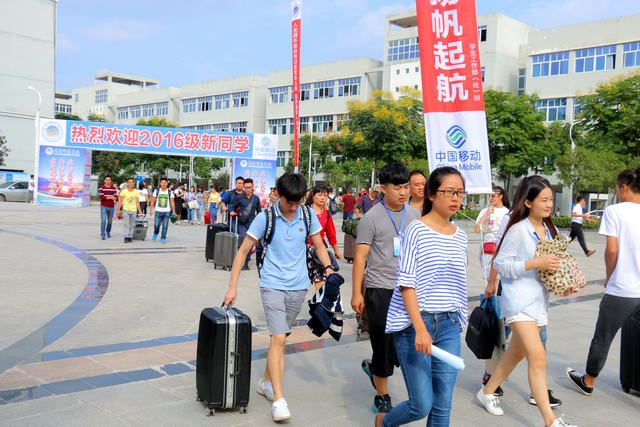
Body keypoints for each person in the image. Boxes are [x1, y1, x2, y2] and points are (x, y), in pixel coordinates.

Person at [223, 172, 336, 423]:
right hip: (272, 284)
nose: (294, 207)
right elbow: (242, 252)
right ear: (278, 195)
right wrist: (233, 287)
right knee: (277, 338)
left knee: (282, 337)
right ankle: (279, 400)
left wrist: (328, 269)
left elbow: (319, 245)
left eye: (298, 202)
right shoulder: (266, 218)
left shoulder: (307, 215)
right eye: (289, 202)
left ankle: (265, 382)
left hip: (298, 286)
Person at [477, 175, 577, 427]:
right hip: (518, 303)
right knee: (538, 357)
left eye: (551, 199)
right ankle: (550, 421)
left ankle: (487, 391)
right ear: (528, 202)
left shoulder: (548, 229)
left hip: (538, 302)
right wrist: (535, 263)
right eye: (543, 199)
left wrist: (563, 284)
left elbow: (550, 267)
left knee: (515, 354)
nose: (548, 204)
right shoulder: (518, 229)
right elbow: (499, 263)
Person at [376, 167, 468, 427]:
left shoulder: (461, 236)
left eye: (459, 192)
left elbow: (458, 283)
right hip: (416, 325)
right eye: (449, 192)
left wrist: (460, 317)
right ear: (431, 194)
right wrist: (419, 328)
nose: (455, 198)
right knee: (421, 404)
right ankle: (384, 422)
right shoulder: (416, 230)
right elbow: (407, 283)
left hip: (449, 325)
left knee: (443, 404)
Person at [352, 163, 421, 414]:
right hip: (380, 289)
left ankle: (375, 368)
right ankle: (383, 394)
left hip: (408, 289)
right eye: (397, 187)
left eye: (406, 187)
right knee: (382, 343)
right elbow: (360, 257)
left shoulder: (414, 216)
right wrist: (357, 293)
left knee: (399, 346)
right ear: (384, 188)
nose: (403, 192)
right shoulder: (371, 218)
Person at [566, 167, 640, 396]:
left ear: (624, 187)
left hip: (622, 289)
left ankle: (588, 381)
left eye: (618, 188)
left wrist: (609, 275)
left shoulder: (615, 211)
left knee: (603, 336)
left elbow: (611, 251)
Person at [306, 184, 341, 260]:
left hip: (319, 251)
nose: (322, 198)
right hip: (304, 250)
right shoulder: (305, 211)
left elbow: (331, 234)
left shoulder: (326, 214)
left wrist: (336, 250)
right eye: (320, 195)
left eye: (325, 196)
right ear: (313, 196)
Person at [235, 178, 262, 270]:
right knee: (243, 241)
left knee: (250, 244)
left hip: (252, 224)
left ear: (252, 187)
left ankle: (246, 262)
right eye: (245, 188)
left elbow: (259, 212)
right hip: (242, 223)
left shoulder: (256, 199)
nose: (247, 189)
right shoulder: (239, 198)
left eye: (249, 187)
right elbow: (233, 207)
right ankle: (243, 263)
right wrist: (231, 211)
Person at [149, 178, 175, 244]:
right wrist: (151, 209)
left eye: (165, 182)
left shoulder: (170, 192)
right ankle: (156, 232)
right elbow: (152, 200)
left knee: (165, 226)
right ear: (160, 183)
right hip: (158, 211)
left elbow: (172, 202)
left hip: (167, 212)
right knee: (156, 225)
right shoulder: (156, 191)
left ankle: (163, 237)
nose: (163, 184)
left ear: (167, 184)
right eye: (162, 182)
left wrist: (174, 211)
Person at [117, 178, 143, 243]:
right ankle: (126, 236)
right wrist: (118, 210)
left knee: (132, 224)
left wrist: (139, 210)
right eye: (129, 182)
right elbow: (120, 201)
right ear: (127, 183)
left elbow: (137, 202)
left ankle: (130, 237)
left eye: (132, 182)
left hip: (134, 210)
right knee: (126, 224)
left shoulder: (136, 192)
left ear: (134, 183)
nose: (131, 183)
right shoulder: (124, 191)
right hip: (126, 210)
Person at [98, 175, 118, 240]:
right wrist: (110, 197)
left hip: (111, 207)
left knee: (110, 221)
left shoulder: (113, 188)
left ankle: (108, 231)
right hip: (103, 206)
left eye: (109, 180)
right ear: (104, 180)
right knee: (103, 221)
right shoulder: (101, 187)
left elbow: (116, 197)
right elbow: (101, 197)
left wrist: (112, 198)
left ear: (111, 181)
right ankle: (102, 234)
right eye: (106, 180)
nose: (108, 181)